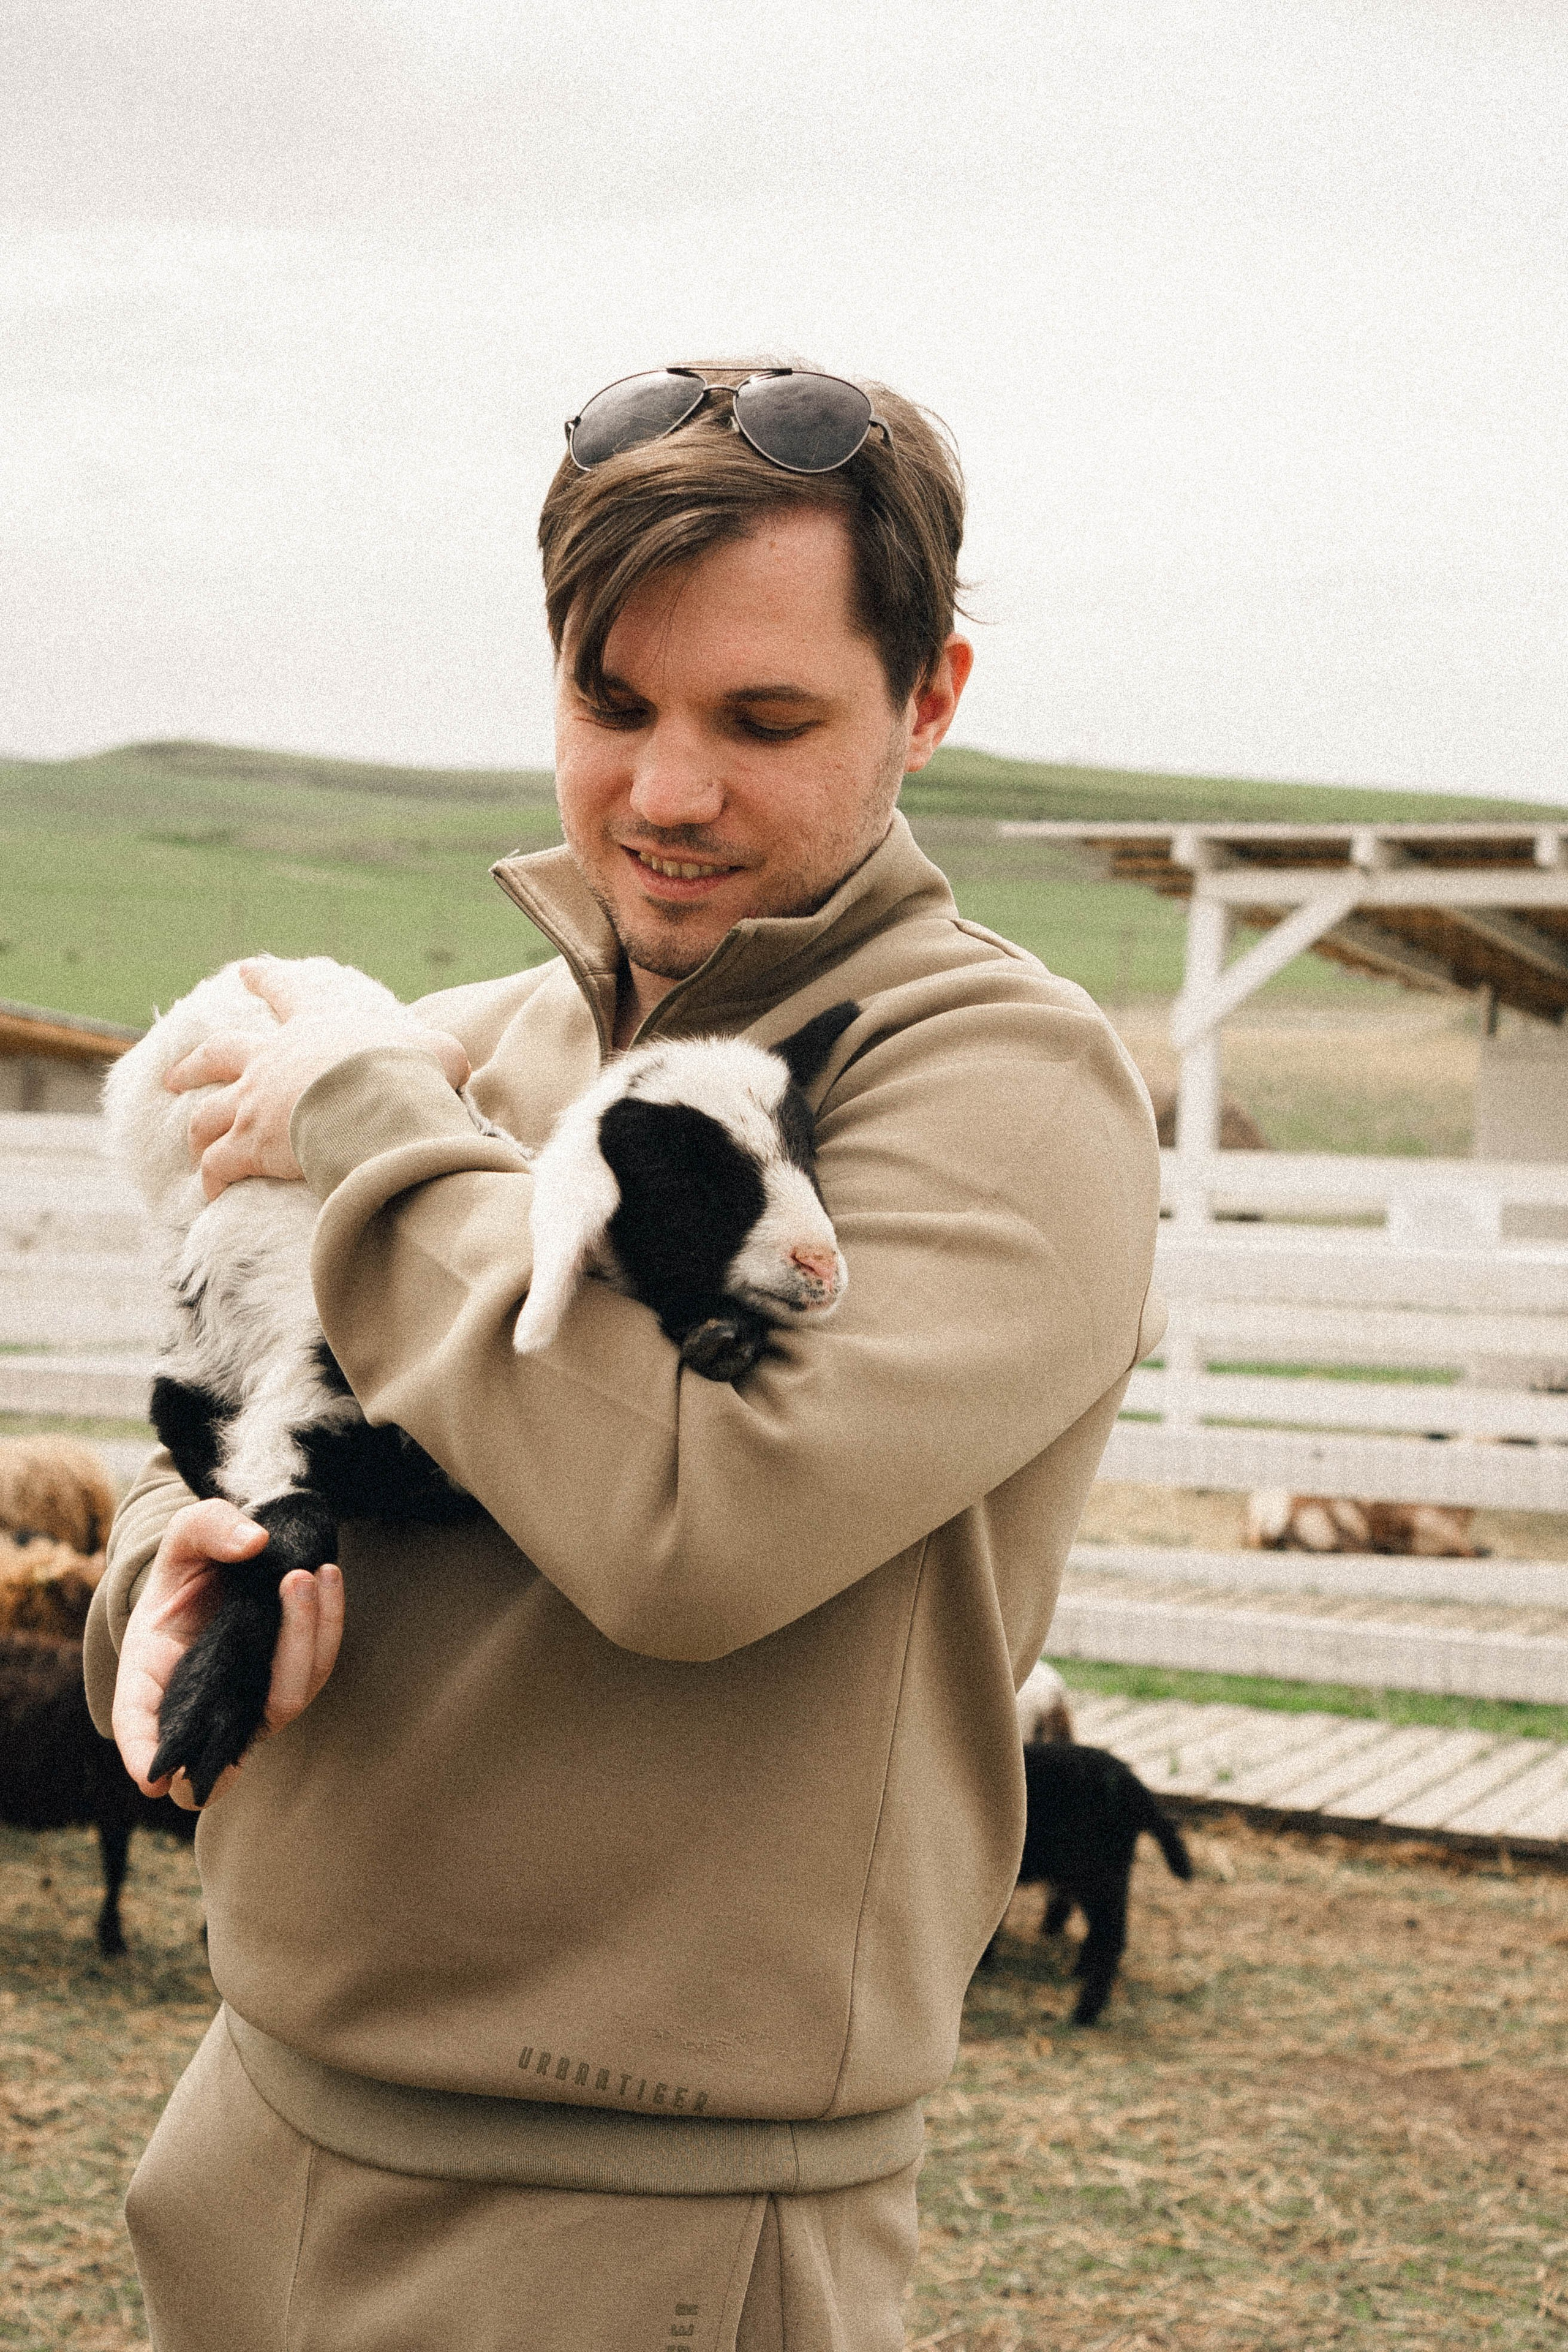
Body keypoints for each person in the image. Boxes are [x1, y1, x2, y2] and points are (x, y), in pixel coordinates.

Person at [85, 361, 1164, 2351]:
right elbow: (226, 1401)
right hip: (255, 2142)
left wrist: (375, 1132)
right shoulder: (474, 1048)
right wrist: (157, 1588)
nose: (666, 793)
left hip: (641, 2228)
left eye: (764, 720)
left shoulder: (1003, 1084)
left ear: (929, 698)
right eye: (611, 703)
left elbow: (695, 1530)